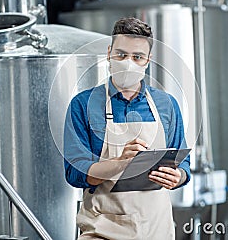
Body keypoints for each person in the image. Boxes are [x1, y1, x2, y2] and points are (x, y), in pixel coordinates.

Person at [64, 17, 191, 240]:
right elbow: (75, 173)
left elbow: (183, 165)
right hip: (102, 229)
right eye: (121, 55)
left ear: (148, 60)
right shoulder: (83, 104)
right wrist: (119, 164)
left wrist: (178, 176)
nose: (129, 62)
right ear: (109, 53)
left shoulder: (167, 104)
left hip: (156, 230)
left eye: (137, 57)